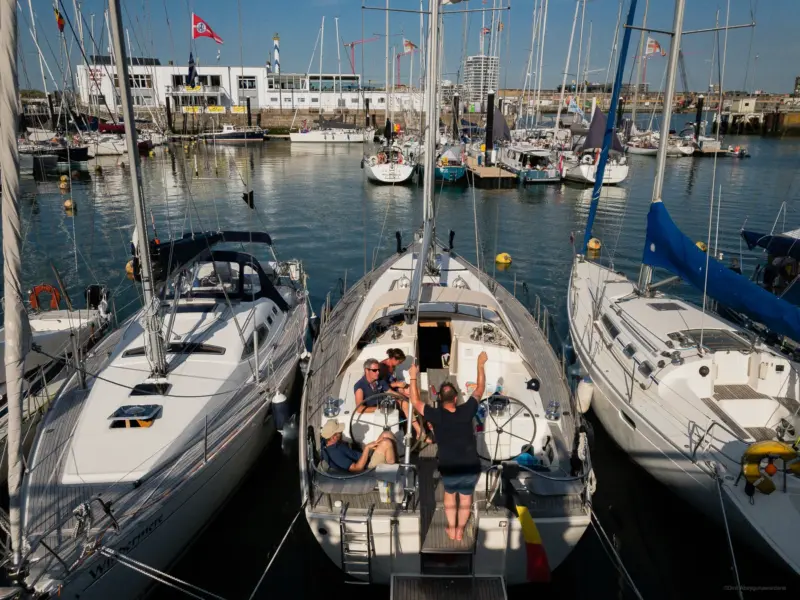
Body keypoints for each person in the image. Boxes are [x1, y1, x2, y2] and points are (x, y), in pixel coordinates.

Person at [408, 351, 488, 541]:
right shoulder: (467, 410)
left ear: (440, 400)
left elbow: (415, 401)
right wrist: (480, 365)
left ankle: (452, 528)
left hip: (449, 466)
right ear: (455, 399)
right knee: (466, 498)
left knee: (450, 495)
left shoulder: (435, 415)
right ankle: (460, 530)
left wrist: (413, 376)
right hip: (470, 464)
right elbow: (480, 389)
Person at [320, 419, 396, 473]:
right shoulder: (336, 454)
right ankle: (392, 470)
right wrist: (367, 448)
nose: (342, 432)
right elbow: (357, 469)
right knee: (387, 443)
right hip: (368, 468)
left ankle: (393, 460)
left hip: (365, 457)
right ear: (333, 437)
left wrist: (366, 449)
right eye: (340, 432)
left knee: (386, 434)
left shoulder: (331, 442)